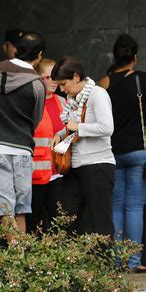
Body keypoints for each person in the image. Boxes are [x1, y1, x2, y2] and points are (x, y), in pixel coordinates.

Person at [0, 32, 46, 239]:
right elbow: (35, 119)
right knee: (20, 209)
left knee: (4, 209)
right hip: (23, 149)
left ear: (15, 48)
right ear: (40, 55)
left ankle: (15, 259)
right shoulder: (37, 83)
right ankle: (19, 260)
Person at [51, 56, 115, 236]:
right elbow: (72, 125)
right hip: (75, 166)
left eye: (63, 84)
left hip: (98, 165)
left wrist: (77, 127)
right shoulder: (74, 99)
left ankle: (106, 264)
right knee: (66, 217)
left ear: (76, 77)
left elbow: (107, 127)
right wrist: (60, 134)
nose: (61, 89)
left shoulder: (97, 93)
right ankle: (75, 262)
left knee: (100, 222)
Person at [98, 34, 146, 271]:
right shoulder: (142, 80)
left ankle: (117, 260)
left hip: (112, 152)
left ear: (115, 57)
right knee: (135, 206)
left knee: (116, 206)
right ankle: (134, 261)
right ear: (134, 58)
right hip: (139, 150)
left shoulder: (104, 83)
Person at [29, 59, 66, 232]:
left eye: (56, 77)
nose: (53, 81)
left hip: (59, 171)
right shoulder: (31, 102)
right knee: (36, 220)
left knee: (58, 219)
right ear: (37, 78)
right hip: (35, 173)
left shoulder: (63, 102)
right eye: (48, 77)